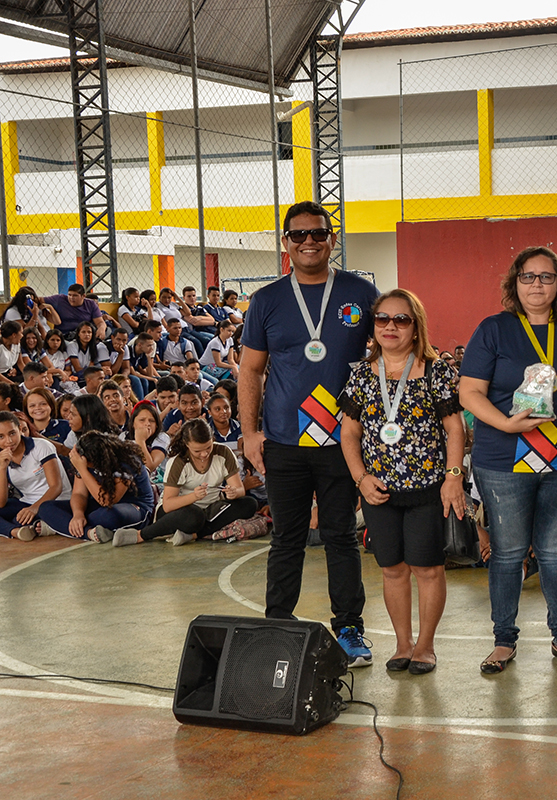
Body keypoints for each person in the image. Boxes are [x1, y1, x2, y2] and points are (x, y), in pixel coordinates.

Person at [239, 200, 379, 667]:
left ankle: (350, 629)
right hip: (283, 441)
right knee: (287, 538)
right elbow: (251, 370)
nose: (309, 242)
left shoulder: (361, 292)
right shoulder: (267, 300)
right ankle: (277, 623)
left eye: (317, 233)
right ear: (286, 243)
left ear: (331, 239)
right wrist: (250, 432)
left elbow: (386, 353)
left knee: (340, 536)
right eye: (298, 235)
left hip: (343, 440)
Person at [459, 245, 557, 674]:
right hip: (504, 458)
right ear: (515, 284)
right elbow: (470, 393)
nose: (537, 285)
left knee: (555, 552)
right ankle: (503, 641)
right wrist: (506, 424)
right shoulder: (494, 329)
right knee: (508, 552)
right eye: (528, 277)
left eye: (546, 277)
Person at [341, 289, 466, 675]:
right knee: (392, 568)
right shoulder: (362, 374)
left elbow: (455, 429)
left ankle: (425, 646)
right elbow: (349, 434)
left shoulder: (437, 370)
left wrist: (453, 477)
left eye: (401, 319)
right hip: (379, 493)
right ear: (373, 325)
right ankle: (402, 643)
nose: (390, 326)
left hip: (428, 489)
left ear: (416, 327)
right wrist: (360, 480)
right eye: (382, 319)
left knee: (427, 569)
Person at [111, 419, 257, 547]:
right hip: (179, 512)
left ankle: (194, 535)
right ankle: (141, 535)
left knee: (249, 503)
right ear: (187, 445)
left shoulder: (223, 452)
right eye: (197, 451)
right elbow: (168, 505)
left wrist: (234, 492)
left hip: (212, 509)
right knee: (195, 516)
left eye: (208, 447)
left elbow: (239, 489)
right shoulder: (178, 461)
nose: (204, 454)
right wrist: (194, 496)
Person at [36, 431, 154, 541]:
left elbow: (108, 500)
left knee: (108, 516)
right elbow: (79, 494)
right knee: (46, 507)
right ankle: (89, 533)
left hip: (132, 507)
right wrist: (78, 514)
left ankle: (61, 526)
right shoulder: (83, 458)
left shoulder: (126, 460)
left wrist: (82, 469)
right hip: (98, 506)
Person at [0, 411, 71, 541]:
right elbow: (1, 502)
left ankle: (37, 525)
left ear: (20, 430)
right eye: (1, 437)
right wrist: (2, 468)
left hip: (55, 501)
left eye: (12, 433)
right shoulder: (2, 457)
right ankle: (16, 531)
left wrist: (34, 509)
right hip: (27, 502)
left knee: (38, 512)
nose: (8, 441)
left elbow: (56, 487)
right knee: (16, 516)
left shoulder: (41, 446)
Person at [126, 401, 170, 476]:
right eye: (142, 420)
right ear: (133, 423)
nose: (147, 424)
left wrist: (140, 440)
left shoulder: (162, 437)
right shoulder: (123, 437)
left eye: (152, 421)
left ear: (156, 425)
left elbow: (149, 467)